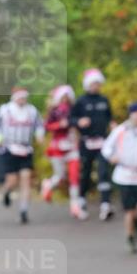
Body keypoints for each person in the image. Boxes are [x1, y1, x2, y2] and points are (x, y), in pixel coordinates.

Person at [101, 101, 137, 252]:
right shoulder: (121, 130)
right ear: (130, 114)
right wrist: (111, 157)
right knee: (129, 210)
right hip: (124, 174)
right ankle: (130, 237)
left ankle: (136, 222)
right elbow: (106, 147)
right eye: (134, 113)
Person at [0, 86, 45, 224]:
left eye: (24, 97)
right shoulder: (4, 110)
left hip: (26, 149)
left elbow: (39, 125)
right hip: (9, 148)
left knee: (26, 179)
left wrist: (39, 135)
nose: (22, 99)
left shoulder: (32, 111)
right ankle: (7, 191)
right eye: (20, 97)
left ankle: (23, 210)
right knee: (12, 180)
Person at [70, 68, 114, 221]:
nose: (96, 86)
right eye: (93, 83)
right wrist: (79, 121)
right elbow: (71, 119)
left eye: (98, 83)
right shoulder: (81, 101)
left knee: (103, 172)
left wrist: (112, 125)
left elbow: (109, 117)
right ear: (88, 84)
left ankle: (106, 204)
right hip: (86, 142)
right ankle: (82, 199)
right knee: (86, 172)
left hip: (102, 142)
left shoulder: (104, 100)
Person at [41, 85, 83, 218]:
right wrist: (59, 125)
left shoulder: (75, 109)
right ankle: (48, 184)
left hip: (72, 146)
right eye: (63, 97)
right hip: (58, 147)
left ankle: (75, 206)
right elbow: (46, 126)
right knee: (60, 177)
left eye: (67, 97)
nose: (65, 99)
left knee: (74, 176)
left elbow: (78, 122)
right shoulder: (54, 111)